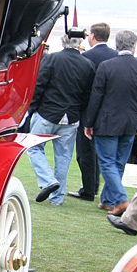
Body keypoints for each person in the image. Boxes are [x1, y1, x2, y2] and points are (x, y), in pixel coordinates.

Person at [82, 30, 137, 214]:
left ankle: (121, 199)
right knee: (119, 163)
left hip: (107, 122)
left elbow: (96, 97)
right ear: (134, 46)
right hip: (129, 123)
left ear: (117, 44)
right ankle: (108, 200)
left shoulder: (106, 66)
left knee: (107, 162)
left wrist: (88, 122)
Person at [26, 29, 95, 205]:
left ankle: (48, 181)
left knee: (34, 148)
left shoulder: (52, 59)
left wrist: (31, 108)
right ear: (79, 44)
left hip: (48, 113)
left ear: (64, 41)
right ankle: (57, 197)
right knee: (63, 157)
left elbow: (39, 85)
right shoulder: (88, 65)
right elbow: (88, 95)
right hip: (71, 116)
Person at [70, 23, 116, 202]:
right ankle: (99, 188)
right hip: (109, 112)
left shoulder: (87, 57)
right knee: (104, 153)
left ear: (93, 36)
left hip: (88, 110)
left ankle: (89, 188)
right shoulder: (115, 56)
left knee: (85, 151)